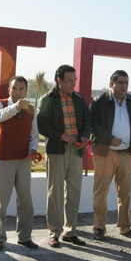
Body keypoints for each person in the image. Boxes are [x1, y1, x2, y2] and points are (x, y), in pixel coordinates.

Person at [37, 65, 91, 248]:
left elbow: (87, 121)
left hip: (76, 151)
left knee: (74, 192)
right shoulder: (47, 100)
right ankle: (54, 233)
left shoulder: (79, 99)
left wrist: (85, 137)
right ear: (59, 81)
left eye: (75, 80)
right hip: (56, 151)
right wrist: (62, 136)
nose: (73, 83)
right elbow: (42, 125)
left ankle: (71, 231)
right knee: (55, 193)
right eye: (70, 80)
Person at [89, 70, 131, 241]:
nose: (123, 86)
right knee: (101, 192)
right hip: (104, 153)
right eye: (120, 82)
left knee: (125, 192)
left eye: (126, 82)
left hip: (125, 154)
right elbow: (91, 124)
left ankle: (125, 227)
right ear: (111, 84)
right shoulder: (99, 101)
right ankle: (99, 228)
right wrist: (109, 139)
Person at [0, 76, 39, 252]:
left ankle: (25, 237)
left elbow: (34, 134)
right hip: (3, 160)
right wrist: (15, 107)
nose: (18, 92)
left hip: (23, 161)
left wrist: (33, 150)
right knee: (1, 203)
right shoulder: (0, 104)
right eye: (14, 89)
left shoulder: (31, 110)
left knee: (26, 201)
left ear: (26, 91)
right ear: (9, 90)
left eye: (21, 89)